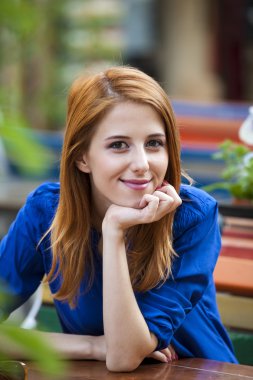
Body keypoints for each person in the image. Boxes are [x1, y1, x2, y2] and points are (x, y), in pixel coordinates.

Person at [0, 66, 237, 372]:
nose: (141, 164)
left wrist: (113, 230)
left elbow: (124, 356)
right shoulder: (47, 212)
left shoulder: (192, 216)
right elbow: (113, 354)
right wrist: (92, 346)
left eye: (154, 143)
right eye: (118, 145)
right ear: (82, 157)